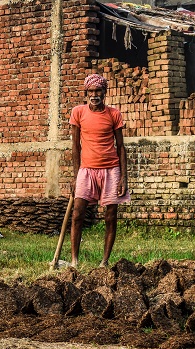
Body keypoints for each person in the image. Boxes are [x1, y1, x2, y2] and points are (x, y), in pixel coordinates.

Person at [69, 74, 130, 268]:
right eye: (91, 91)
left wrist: (123, 178)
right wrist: (75, 175)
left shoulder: (114, 114)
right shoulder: (78, 112)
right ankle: (74, 261)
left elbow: (121, 147)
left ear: (105, 92)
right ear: (86, 93)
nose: (94, 95)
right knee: (78, 214)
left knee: (110, 216)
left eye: (98, 91)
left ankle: (104, 262)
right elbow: (75, 146)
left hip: (111, 170)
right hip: (86, 170)